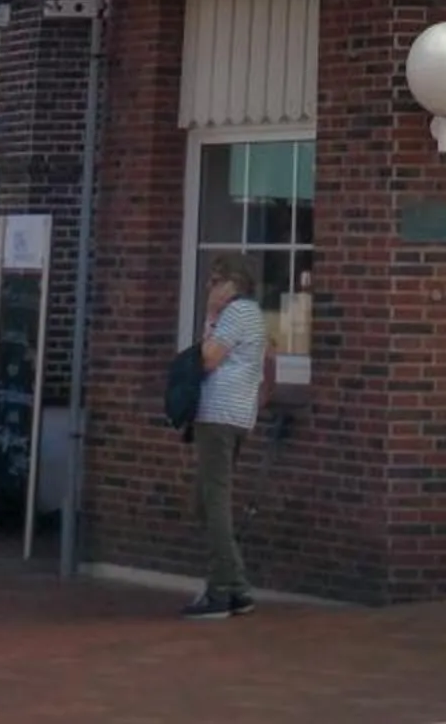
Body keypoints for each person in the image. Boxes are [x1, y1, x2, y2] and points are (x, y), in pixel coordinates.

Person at [183, 252, 266, 620]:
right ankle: (235, 587)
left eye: (216, 281)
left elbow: (209, 359)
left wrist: (212, 315)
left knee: (214, 501)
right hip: (227, 414)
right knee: (204, 501)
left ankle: (223, 589)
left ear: (234, 283)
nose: (209, 287)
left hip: (220, 415)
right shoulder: (247, 315)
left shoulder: (237, 313)